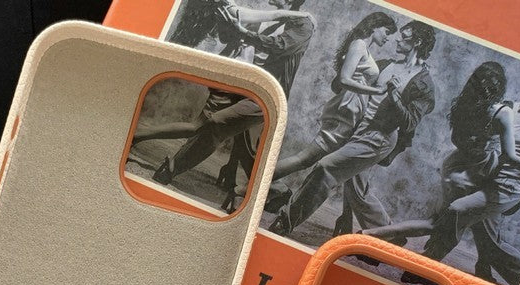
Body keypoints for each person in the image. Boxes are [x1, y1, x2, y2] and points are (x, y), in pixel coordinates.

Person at [269, 21, 437, 237]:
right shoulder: (386, 65)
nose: (397, 39)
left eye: (404, 37)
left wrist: (394, 95)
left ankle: (285, 221)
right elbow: (340, 85)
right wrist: (346, 70)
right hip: (356, 128)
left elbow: (410, 123)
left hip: (378, 138)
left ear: (418, 42)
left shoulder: (423, 84)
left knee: (326, 168)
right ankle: (388, 236)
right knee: (357, 189)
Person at [401, 70, 520, 285]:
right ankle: (491, 273)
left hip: (504, 187)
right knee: (485, 236)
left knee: (463, 217)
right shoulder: (506, 108)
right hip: (479, 175)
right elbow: (471, 134)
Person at [149, 0, 316, 192]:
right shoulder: (270, 15)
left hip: (263, 93)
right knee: (234, 143)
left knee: (218, 127)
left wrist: (242, 31)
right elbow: (232, 33)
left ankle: (275, 191)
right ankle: (250, 183)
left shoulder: (303, 25)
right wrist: (231, 27)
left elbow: (279, 45)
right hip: (242, 84)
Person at [253, 12, 396, 210]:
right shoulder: (359, 45)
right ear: (375, 26)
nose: (388, 38)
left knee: (312, 159)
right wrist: (376, 90)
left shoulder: (364, 48)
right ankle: (252, 185)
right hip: (346, 110)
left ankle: (264, 187)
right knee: (307, 158)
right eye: (387, 32)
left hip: (351, 109)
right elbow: (344, 79)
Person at [361, 61, 509, 245]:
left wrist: (475, 149)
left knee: (440, 222)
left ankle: (372, 234)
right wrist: (481, 151)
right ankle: (371, 234)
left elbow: (456, 139)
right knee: (439, 223)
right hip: (469, 172)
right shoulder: (497, 111)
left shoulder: (467, 105)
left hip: (456, 166)